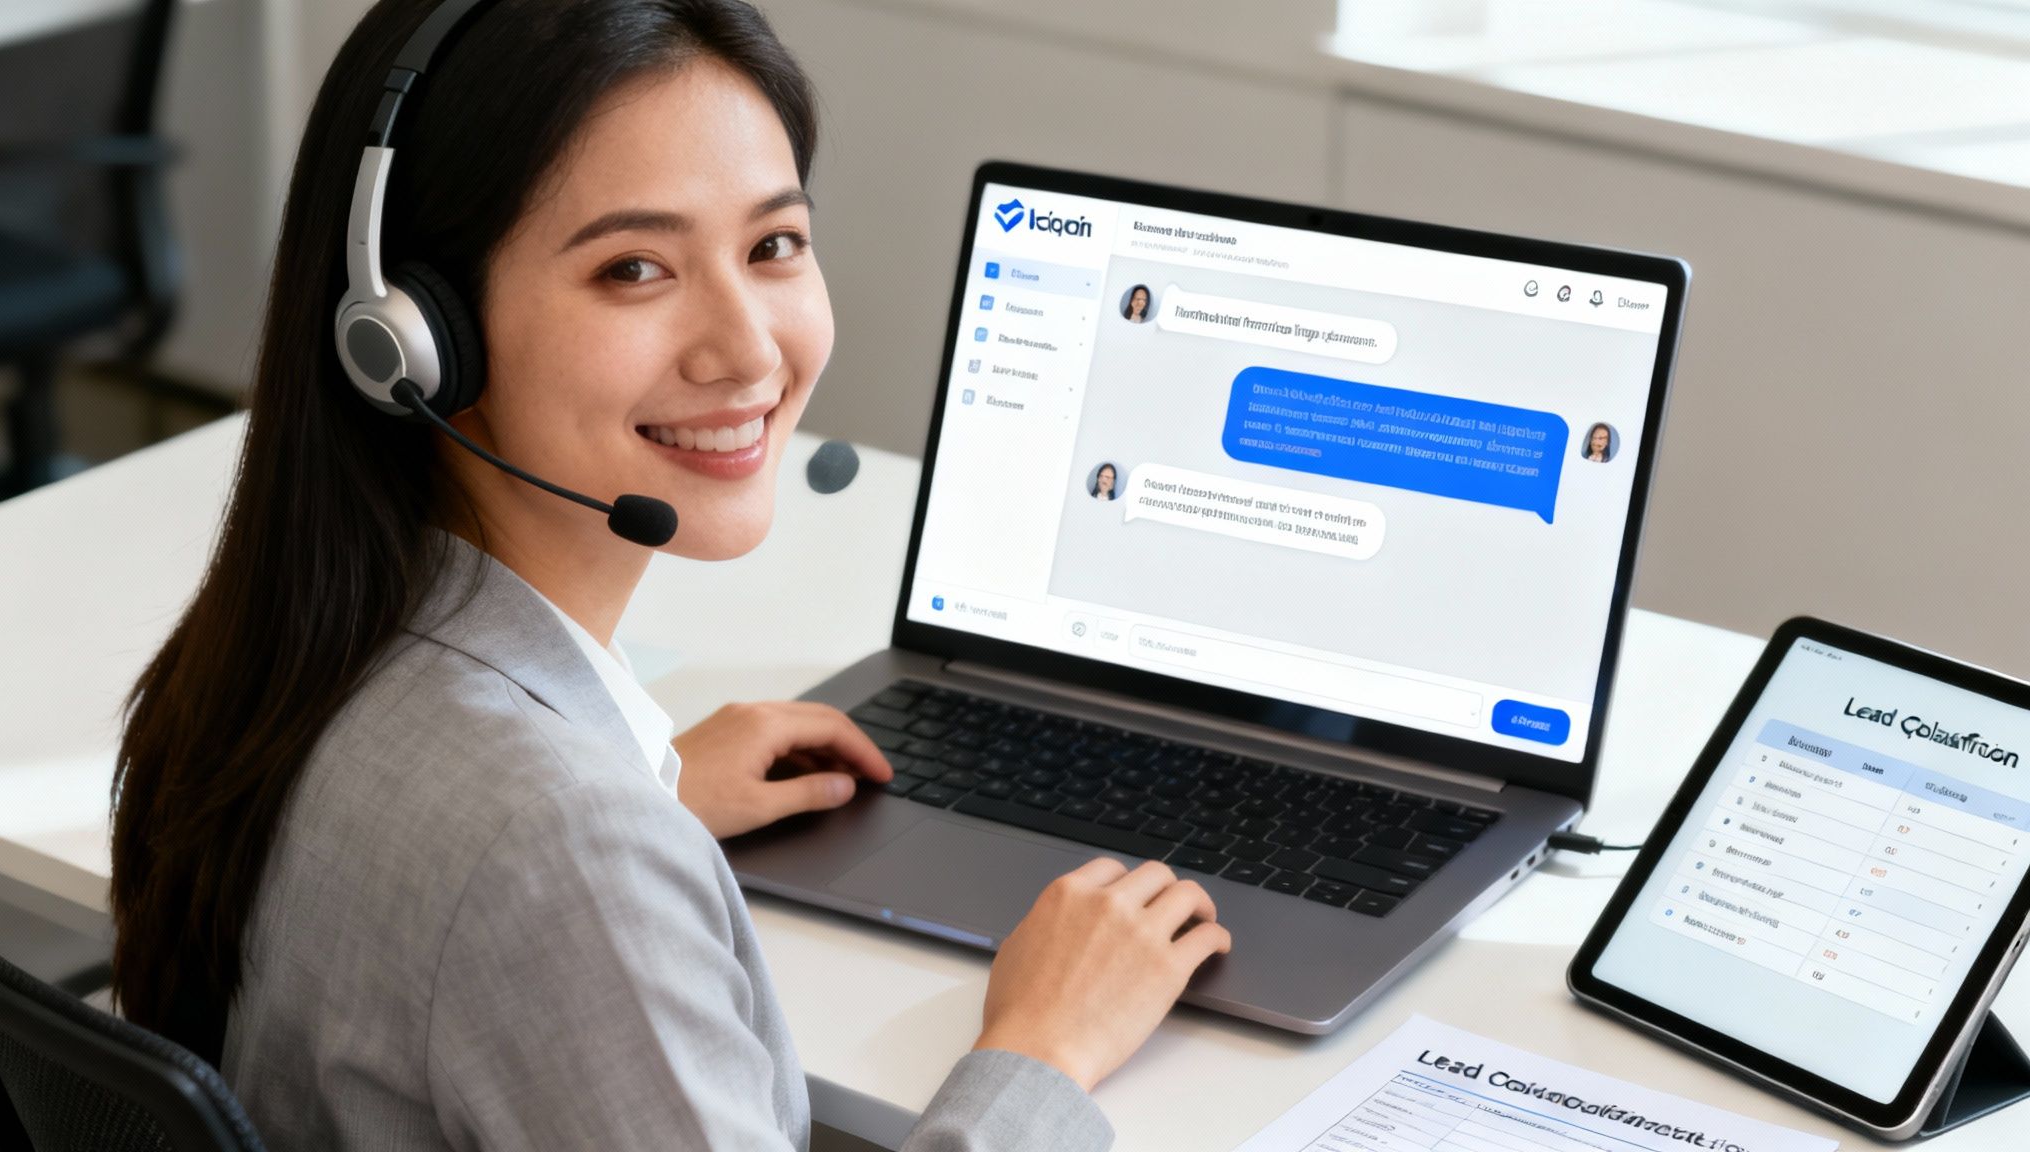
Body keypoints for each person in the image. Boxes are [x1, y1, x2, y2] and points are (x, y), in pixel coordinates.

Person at [105, 2, 1230, 1149]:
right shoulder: (556, 845)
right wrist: (1041, 1053)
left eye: (772, 245)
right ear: (411, 335)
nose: (745, 349)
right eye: (634, 268)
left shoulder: (289, 647)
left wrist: (647, 785)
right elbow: (521, 861)